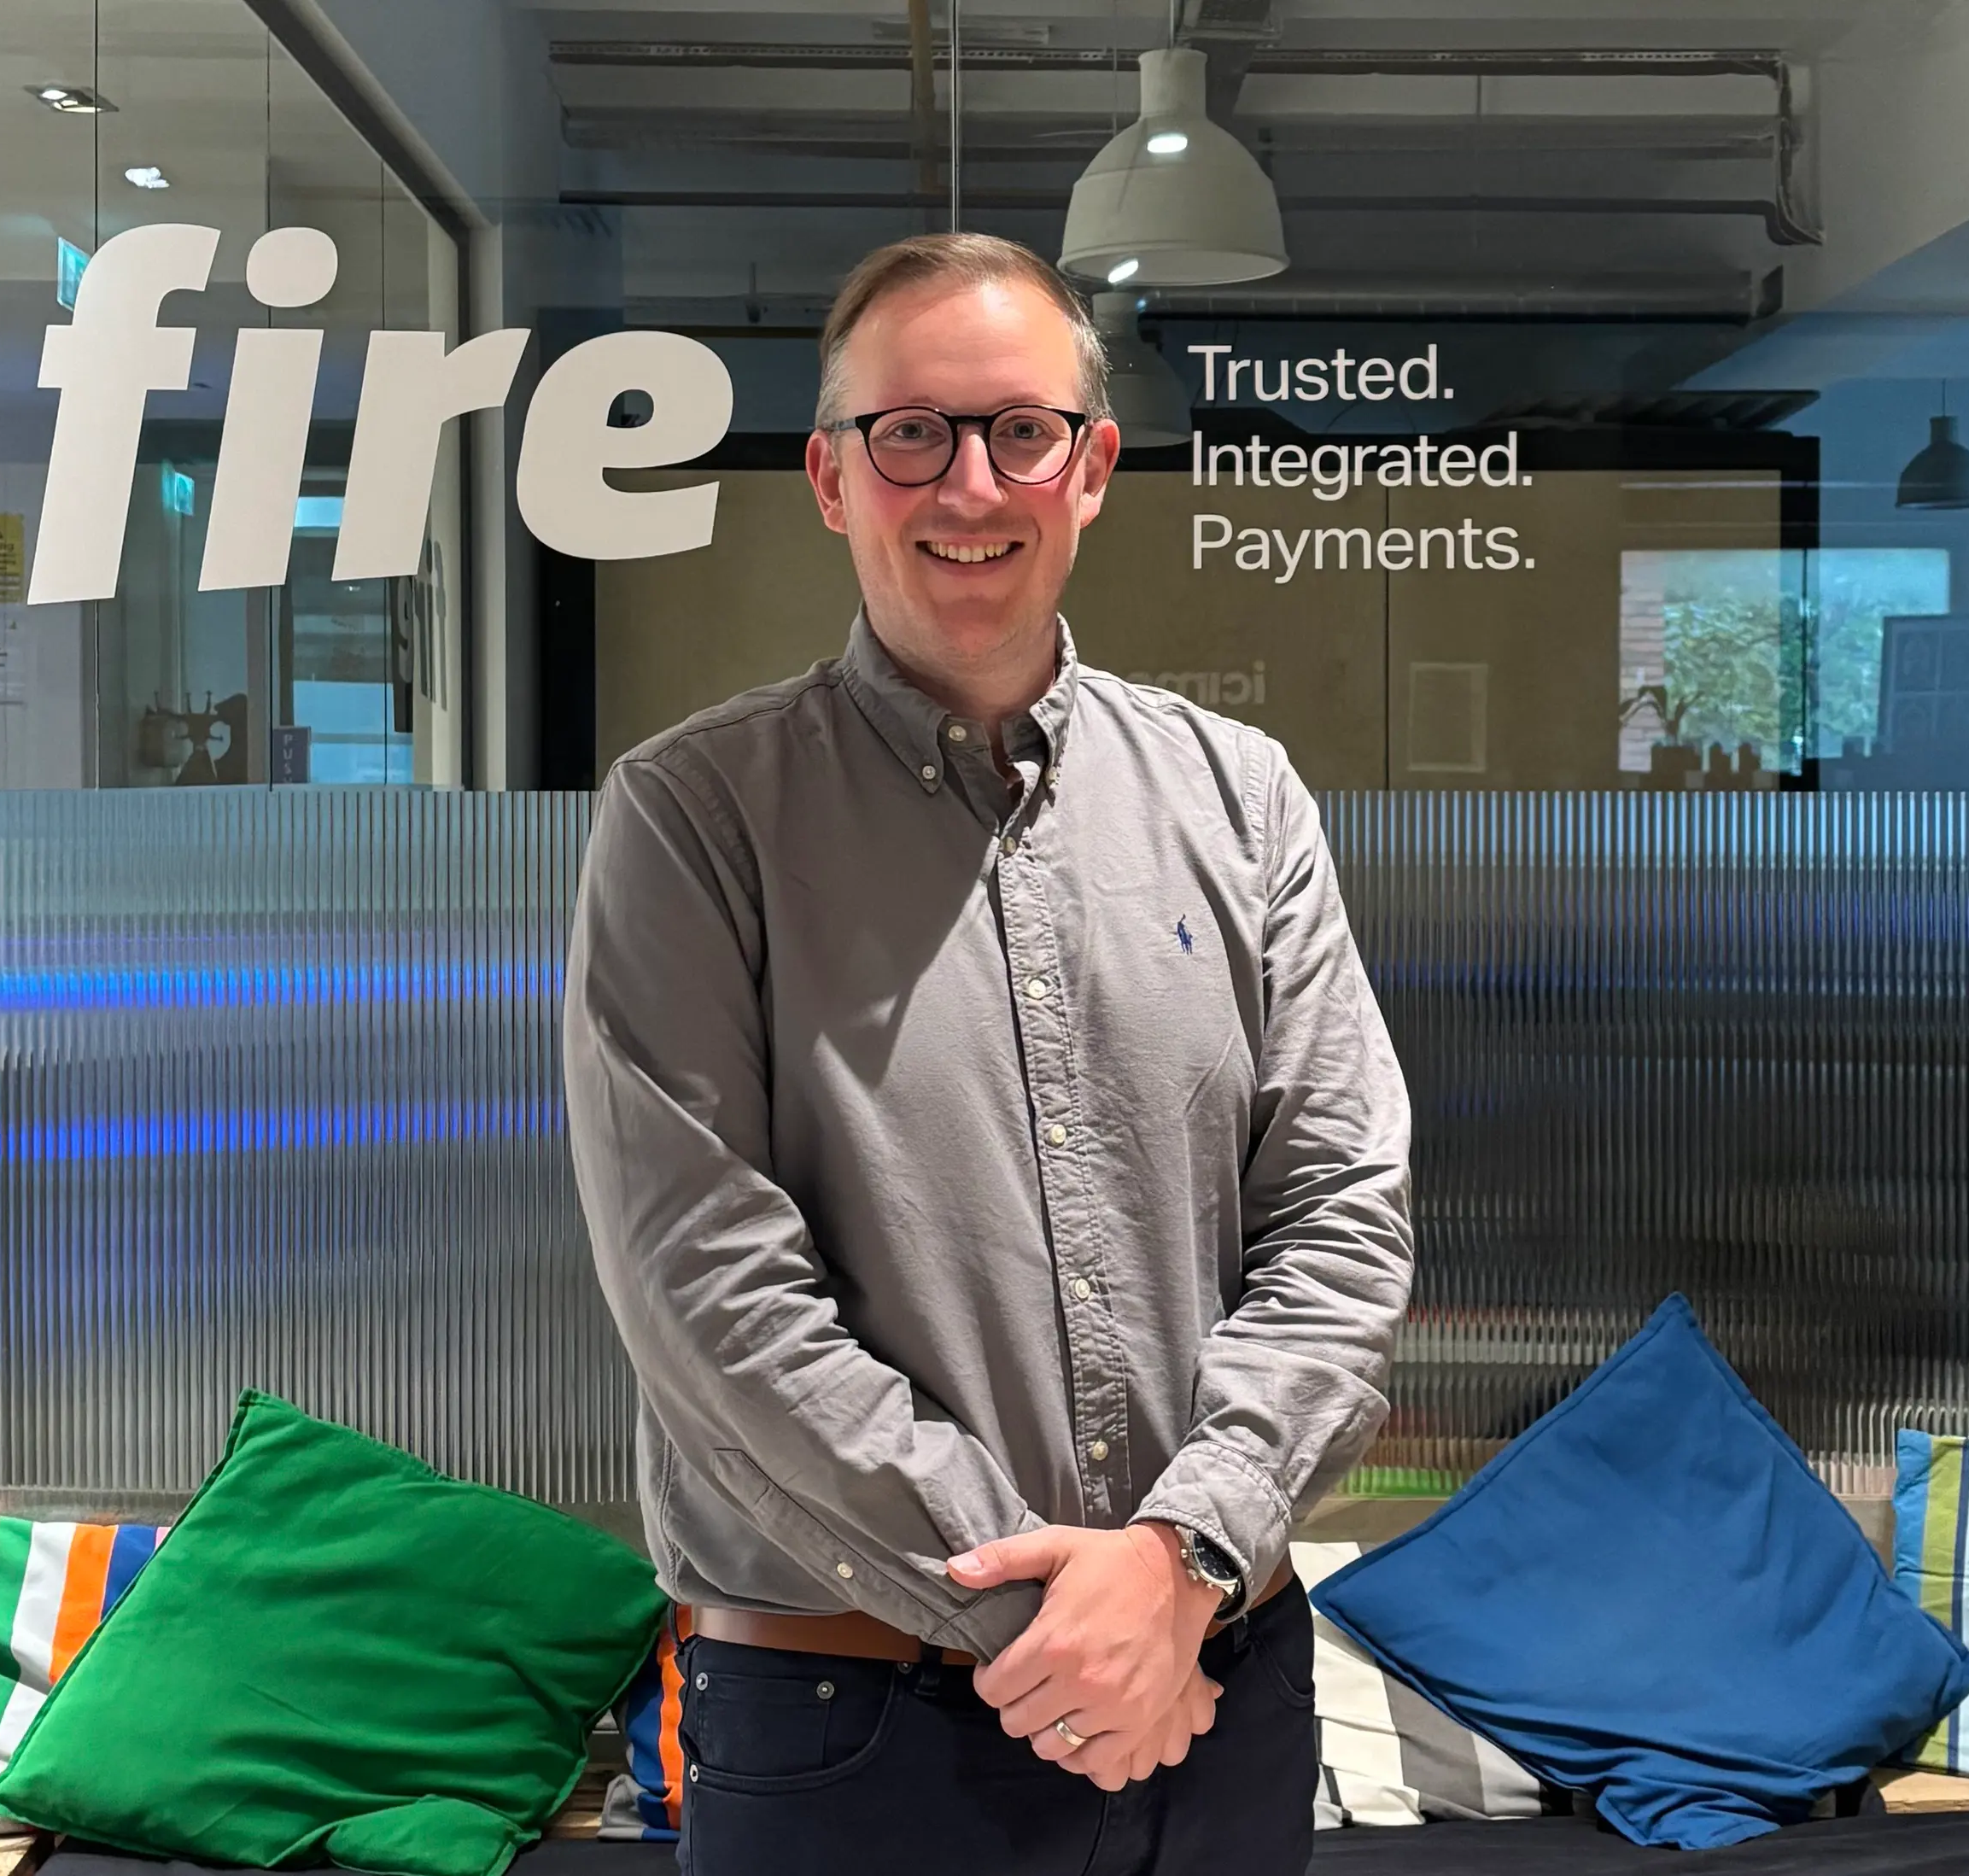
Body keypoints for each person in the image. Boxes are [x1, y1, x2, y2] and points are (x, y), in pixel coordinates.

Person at [564, 231, 1415, 1876]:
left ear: (1090, 469)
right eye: (913, 433)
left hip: (1217, 1692)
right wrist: (1058, 1618)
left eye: (1021, 429)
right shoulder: (695, 817)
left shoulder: (1241, 798)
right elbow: (709, 1296)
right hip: (849, 1722)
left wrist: (1176, 1563)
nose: (971, 482)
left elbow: (1343, 1215)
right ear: (830, 477)